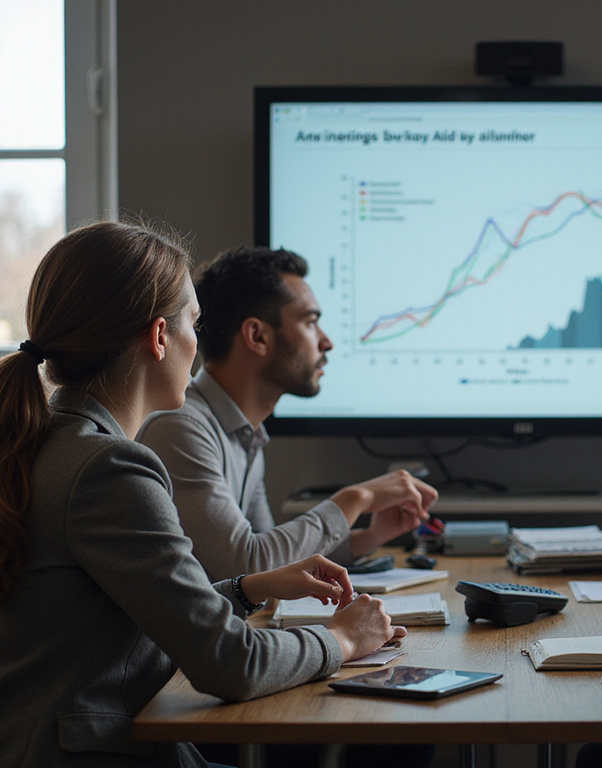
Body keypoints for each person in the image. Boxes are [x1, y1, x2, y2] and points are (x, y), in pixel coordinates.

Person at [0, 221, 404, 767]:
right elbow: (229, 664)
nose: (199, 342)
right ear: (159, 337)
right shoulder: (110, 468)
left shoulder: (54, 438)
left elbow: (124, 610)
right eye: (194, 322)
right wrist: (344, 640)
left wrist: (247, 587)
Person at [137, 246, 437, 583]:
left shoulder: (243, 432)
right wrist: (356, 499)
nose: (326, 343)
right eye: (310, 322)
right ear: (257, 336)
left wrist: (369, 538)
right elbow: (243, 566)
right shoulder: (181, 428)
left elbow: (272, 556)